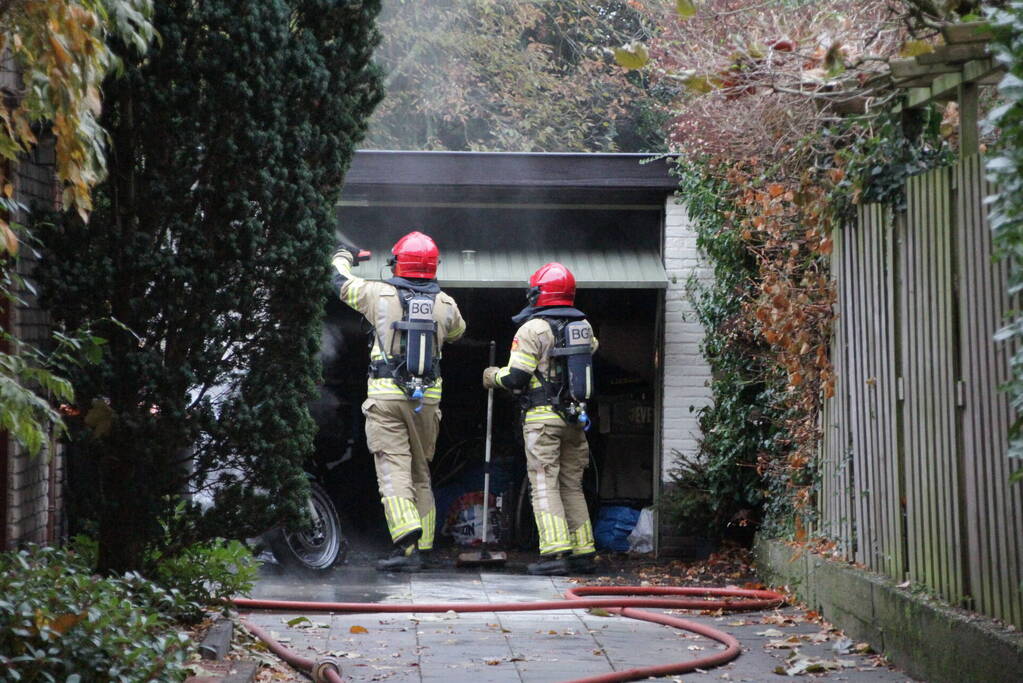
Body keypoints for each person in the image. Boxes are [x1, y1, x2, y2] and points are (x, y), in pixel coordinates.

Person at [331, 231, 465, 571]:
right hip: (428, 401)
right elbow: (457, 332)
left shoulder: (377, 294)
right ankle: (425, 545)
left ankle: (406, 543)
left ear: (397, 263)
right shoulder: (447, 304)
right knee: (421, 471)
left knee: (393, 468)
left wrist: (342, 255)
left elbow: (338, 282)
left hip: (387, 397)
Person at [482, 262, 598, 575]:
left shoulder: (532, 329)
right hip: (575, 419)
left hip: (543, 421)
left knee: (545, 484)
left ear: (539, 293)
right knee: (571, 486)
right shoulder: (583, 327)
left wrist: (493, 376)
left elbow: (517, 377)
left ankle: (555, 553)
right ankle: (583, 551)